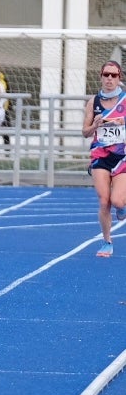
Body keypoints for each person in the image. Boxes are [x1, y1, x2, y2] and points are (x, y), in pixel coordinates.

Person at [83, 60, 126, 258]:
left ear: (119, 78)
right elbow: (85, 132)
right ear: (101, 77)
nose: (109, 79)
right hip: (100, 155)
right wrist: (95, 125)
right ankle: (107, 241)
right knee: (104, 201)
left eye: (114, 75)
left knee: (117, 201)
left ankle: (122, 206)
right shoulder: (93, 102)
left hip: (122, 156)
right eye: (106, 75)